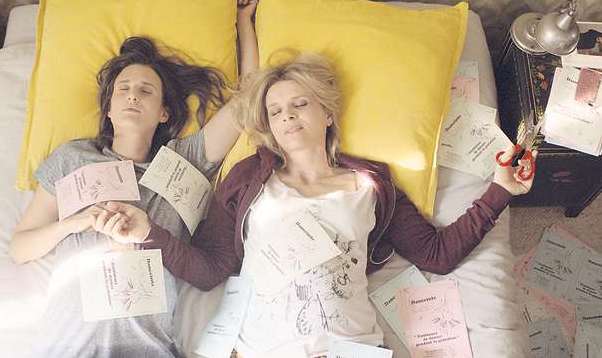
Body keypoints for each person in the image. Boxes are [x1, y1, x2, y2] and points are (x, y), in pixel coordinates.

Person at [100, 53, 537, 357]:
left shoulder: (371, 183)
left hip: (352, 348)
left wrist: (500, 191)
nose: (287, 116)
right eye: (275, 111)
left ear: (327, 113)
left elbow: (436, 255)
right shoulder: (248, 179)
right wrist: (148, 233)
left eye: (299, 104)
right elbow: (210, 269)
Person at [8, 0, 259, 357]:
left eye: (146, 91)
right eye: (123, 89)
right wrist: (77, 223)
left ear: (164, 113)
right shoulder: (73, 157)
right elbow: (20, 249)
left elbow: (248, 98)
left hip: (148, 348)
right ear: (108, 109)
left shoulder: (183, 159)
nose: (132, 96)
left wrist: (244, 22)